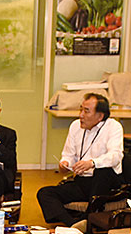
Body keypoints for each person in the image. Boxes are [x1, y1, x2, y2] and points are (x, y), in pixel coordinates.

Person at [36, 93, 123, 225]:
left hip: (107, 182)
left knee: (102, 171)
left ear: (100, 116)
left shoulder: (113, 127)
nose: (81, 115)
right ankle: (73, 224)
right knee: (45, 193)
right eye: (80, 109)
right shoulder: (75, 126)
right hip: (82, 181)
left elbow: (116, 156)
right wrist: (65, 163)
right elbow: (68, 154)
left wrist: (92, 163)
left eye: (86, 111)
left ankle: (87, 219)